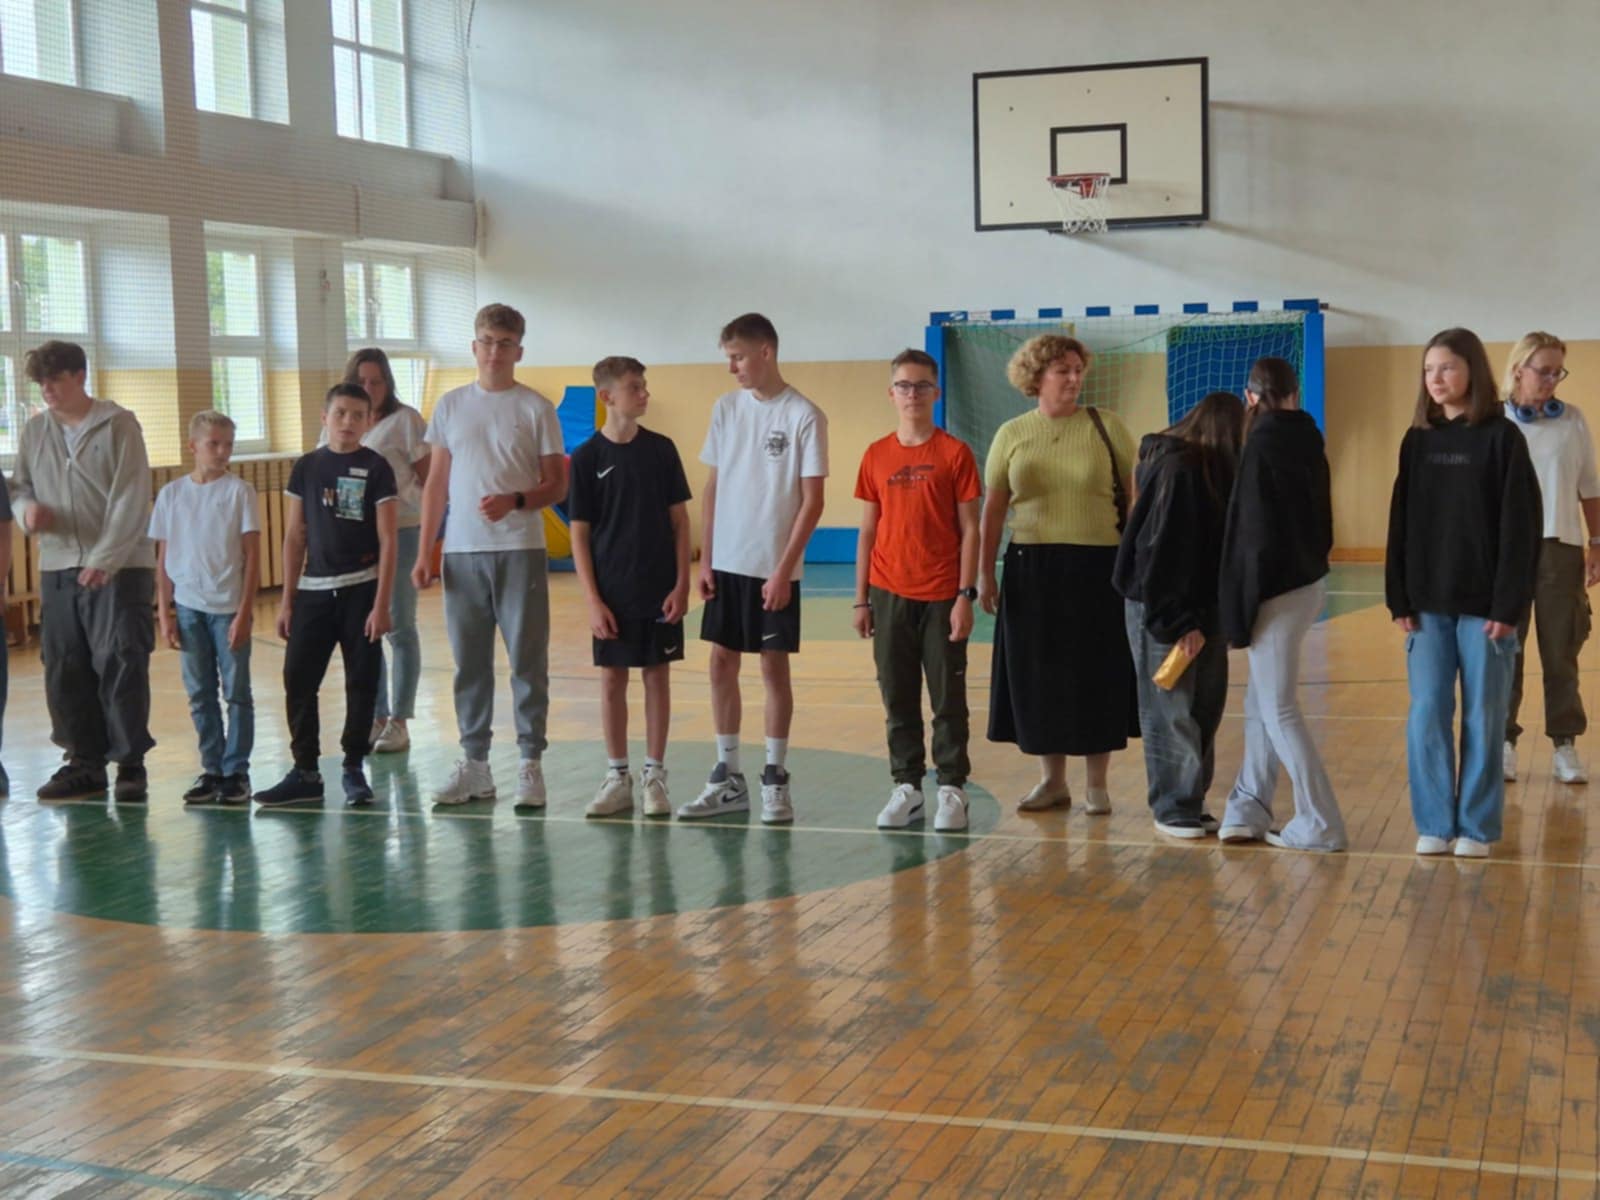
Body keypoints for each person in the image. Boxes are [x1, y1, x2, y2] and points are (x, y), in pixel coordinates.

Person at [1388, 328, 1542, 858]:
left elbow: (1520, 528)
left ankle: (1476, 827)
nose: (1436, 379)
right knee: (1428, 712)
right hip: (1427, 605)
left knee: (1483, 716)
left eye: (1447, 367)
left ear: (1472, 370)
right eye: (1429, 369)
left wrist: (1509, 605)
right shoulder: (1417, 441)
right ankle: (1434, 822)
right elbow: (1400, 522)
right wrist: (1398, 597)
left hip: (1486, 609)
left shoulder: (1503, 439)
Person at [413, 303, 567, 808]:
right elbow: (436, 484)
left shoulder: (536, 408)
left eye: (505, 344)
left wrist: (516, 500)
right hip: (462, 552)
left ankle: (530, 763)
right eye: (487, 342)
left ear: (518, 350)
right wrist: (426, 551)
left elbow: (557, 484)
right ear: (474, 346)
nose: (494, 352)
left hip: (519, 549)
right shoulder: (450, 406)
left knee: (527, 659)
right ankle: (475, 765)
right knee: (470, 663)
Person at [677, 313, 828, 824]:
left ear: (766, 352)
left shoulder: (805, 415)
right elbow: (714, 487)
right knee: (721, 661)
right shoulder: (726, 408)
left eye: (738, 357)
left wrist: (783, 570)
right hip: (727, 563)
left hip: (772, 567)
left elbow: (812, 502)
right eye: (729, 358)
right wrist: (707, 558)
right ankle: (727, 776)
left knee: (771, 665)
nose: (732, 368)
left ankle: (774, 777)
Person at [978, 334, 1138, 816]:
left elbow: (1135, 499)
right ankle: (1052, 781)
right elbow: (993, 510)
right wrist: (985, 573)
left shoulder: (1107, 426)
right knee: (1040, 675)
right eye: (1062, 370)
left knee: (1097, 672)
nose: (1073, 378)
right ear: (1037, 376)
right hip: (1032, 568)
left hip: (1099, 567)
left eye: (1077, 369)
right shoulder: (1011, 434)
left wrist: (1136, 562)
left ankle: (1097, 786)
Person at [12, 340, 155, 803]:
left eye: (55, 379)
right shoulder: (35, 431)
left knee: (120, 661)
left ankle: (130, 763)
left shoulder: (119, 425)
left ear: (79, 376)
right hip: (58, 564)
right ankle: (84, 763)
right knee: (64, 665)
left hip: (119, 567)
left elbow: (131, 496)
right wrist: (27, 511)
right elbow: (20, 487)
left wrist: (104, 559)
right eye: (41, 382)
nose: (47, 389)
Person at [1216, 357, 1345, 852]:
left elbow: (1251, 537)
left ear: (1250, 397)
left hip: (1274, 591)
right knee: (1261, 701)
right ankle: (1248, 805)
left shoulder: (1260, 445)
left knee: (1279, 708)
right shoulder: (1307, 437)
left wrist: (1238, 609)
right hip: (1306, 583)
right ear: (1295, 394)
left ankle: (1321, 821)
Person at [853, 349, 980, 832]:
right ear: (891, 393)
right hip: (888, 593)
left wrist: (965, 594)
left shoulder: (955, 454)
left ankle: (952, 788)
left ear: (936, 392)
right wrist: (861, 598)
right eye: (904, 386)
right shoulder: (875, 454)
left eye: (922, 385)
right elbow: (868, 530)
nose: (913, 394)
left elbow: (971, 530)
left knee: (947, 697)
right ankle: (907, 786)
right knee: (898, 695)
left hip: (943, 594)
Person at [255, 383, 397, 807]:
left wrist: (381, 605)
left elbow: (389, 539)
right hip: (313, 593)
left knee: (362, 681)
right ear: (325, 418)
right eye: (340, 413)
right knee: (298, 678)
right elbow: (294, 535)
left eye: (357, 415)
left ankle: (353, 766)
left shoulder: (377, 467)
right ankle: (305, 771)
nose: (348, 422)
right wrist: (287, 600)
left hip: (361, 590)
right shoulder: (307, 467)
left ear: (368, 422)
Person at [1114, 392, 1244, 839]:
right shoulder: (1180, 471)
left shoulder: (1212, 473)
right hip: (1163, 606)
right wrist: (1179, 622)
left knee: (1206, 704)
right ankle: (1172, 804)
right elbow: (1160, 554)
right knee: (1169, 706)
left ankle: (1192, 795)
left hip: (1201, 608)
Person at [568, 356, 692, 818]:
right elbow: (579, 534)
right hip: (611, 591)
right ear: (607, 397)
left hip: (659, 587)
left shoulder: (661, 450)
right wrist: (592, 600)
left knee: (657, 676)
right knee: (612, 680)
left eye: (644, 385)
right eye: (634, 387)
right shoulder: (587, 458)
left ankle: (654, 775)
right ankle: (617, 776)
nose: (644, 394)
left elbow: (680, 523)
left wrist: (682, 585)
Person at [1499, 332, 1597, 785]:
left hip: (1561, 547)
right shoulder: (1495, 421)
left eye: (1559, 372)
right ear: (1519, 369)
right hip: (1506, 551)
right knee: (1505, 650)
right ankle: (1503, 741)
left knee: (1561, 651)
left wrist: (1597, 544)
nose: (1552, 380)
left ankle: (1565, 743)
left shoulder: (1572, 420)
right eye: (1544, 371)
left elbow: (1590, 487)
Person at [150, 411, 261, 805]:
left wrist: (244, 612)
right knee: (200, 692)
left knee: (236, 692)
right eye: (213, 443)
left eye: (228, 444)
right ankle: (212, 768)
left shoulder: (240, 492)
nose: (222, 451)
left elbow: (252, 556)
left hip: (227, 607)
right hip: (188, 607)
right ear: (193, 446)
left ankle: (236, 770)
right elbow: (163, 558)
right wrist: (164, 612)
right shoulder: (171, 495)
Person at [342, 348, 431, 755]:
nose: (369, 388)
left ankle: (400, 719)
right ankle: (375, 714)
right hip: (358, 537)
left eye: (376, 381)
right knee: (367, 626)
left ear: (387, 383)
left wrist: (430, 541)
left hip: (403, 530)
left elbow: (430, 482)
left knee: (399, 625)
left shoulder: (406, 421)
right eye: (361, 381)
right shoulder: (345, 420)